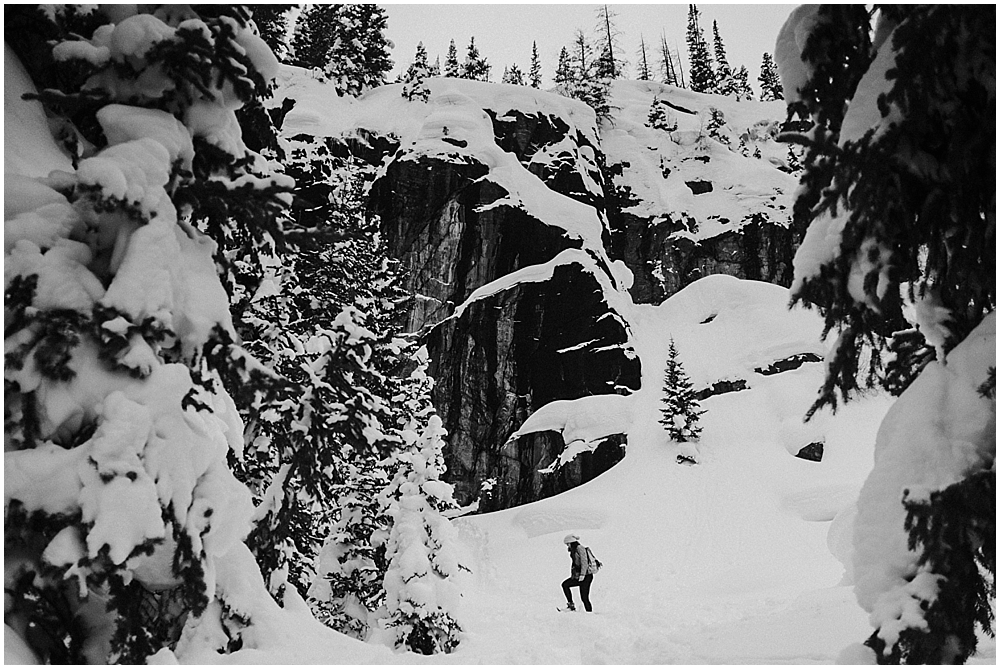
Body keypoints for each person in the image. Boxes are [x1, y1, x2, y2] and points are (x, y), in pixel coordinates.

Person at [560, 533, 594, 612]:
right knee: (565, 585)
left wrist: (582, 574)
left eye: (567, 544)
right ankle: (571, 606)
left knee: (584, 598)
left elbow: (584, 562)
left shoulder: (580, 548)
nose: (567, 546)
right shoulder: (574, 550)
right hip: (578, 576)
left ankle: (589, 613)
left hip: (586, 576)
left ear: (571, 542)